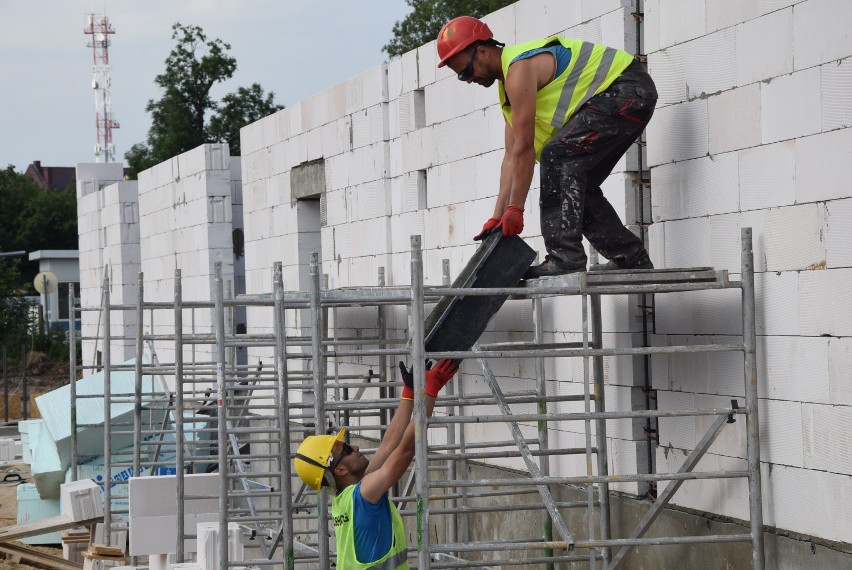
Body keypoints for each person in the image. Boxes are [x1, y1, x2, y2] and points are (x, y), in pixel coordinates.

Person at [436, 16, 658, 278]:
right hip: (626, 97)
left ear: (482, 51)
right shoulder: (508, 90)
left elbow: (525, 150)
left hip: (628, 89)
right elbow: (511, 156)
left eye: (466, 71)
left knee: (557, 156)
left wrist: (515, 209)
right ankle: (631, 258)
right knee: (575, 182)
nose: (469, 80)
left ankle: (565, 257)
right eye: (462, 78)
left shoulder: (519, 69)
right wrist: (498, 216)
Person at [294, 359, 459, 570]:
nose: (355, 448)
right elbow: (406, 450)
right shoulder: (364, 494)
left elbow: (389, 445)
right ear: (340, 469)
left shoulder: (346, 497)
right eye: (346, 450)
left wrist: (408, 393)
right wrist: (430, 392)